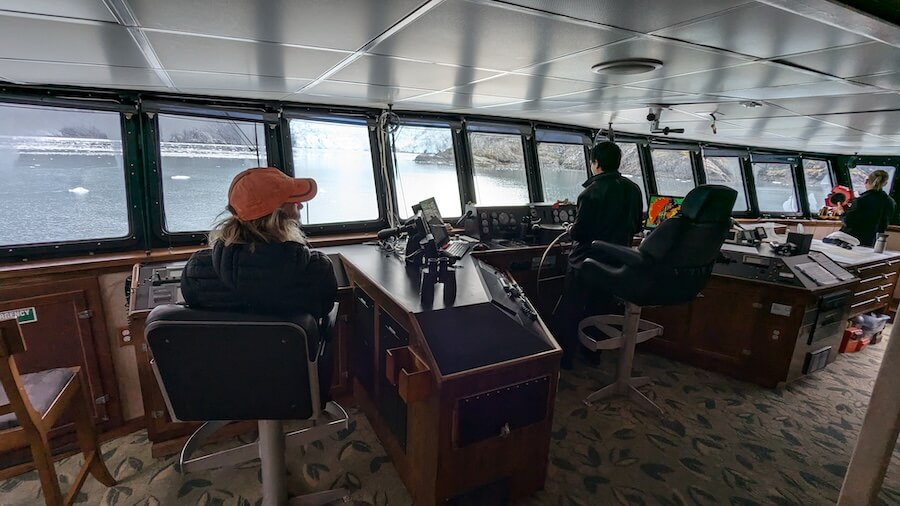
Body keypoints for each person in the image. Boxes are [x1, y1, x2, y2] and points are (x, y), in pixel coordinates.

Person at [180, 167, 338, 403]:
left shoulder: (197, 271)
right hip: (294, 383)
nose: (301, 207)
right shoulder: (316, 269)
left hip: (222, 385)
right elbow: (326, 308)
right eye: (295, 203)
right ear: (282, 216)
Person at [554, 142, 643, 369]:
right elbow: (635, 226)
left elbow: (580, 232)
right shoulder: (633, 190)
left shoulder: (590, 193)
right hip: (616, 263)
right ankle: (593, 355)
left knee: (571, 310)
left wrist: (570, 230)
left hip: (585, 263)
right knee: (600, 309)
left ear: (595, 163)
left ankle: (566, 360)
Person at [837, 170, 895, 247]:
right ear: (885, 184)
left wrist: (841, 212)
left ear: (866, 181)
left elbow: (849, 221)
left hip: (850, 240)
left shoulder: (861, 200)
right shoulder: (890, 202)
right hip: (872, 242)